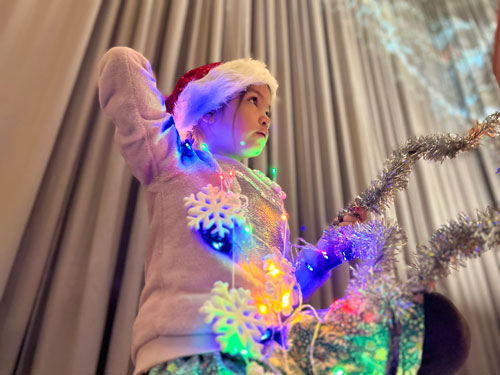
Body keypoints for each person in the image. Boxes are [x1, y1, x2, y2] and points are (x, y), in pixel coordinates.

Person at [98, 47, 469, 375]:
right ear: (209, 112)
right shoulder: (176, 163)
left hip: (261, 359)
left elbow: (281, 294)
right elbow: (121, 63)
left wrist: (327, 254)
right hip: (185, 351)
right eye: (253, 101)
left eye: (268, 109)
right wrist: (173, 113)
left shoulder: (271, 197)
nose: (265, 118)